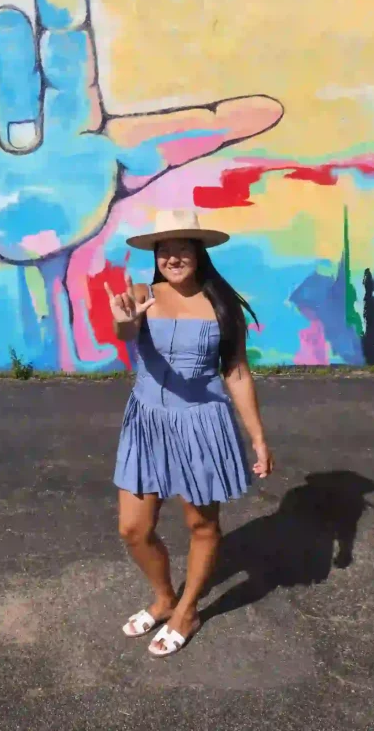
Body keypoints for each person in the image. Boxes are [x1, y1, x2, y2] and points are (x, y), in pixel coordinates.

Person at [105, 209, 274, 657]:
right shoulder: (142, 294)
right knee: (133, 529)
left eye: (183, 248)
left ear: (199, 254)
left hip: (203, 423)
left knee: (201, 523)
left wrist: (257, 436)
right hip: (147, 422)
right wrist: (124, 318)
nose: (173, 257)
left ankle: (187, 610)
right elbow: (124, 332)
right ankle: (164, 597)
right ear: (155, 256)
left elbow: (236, 372)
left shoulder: (221, 304)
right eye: (165, 249)